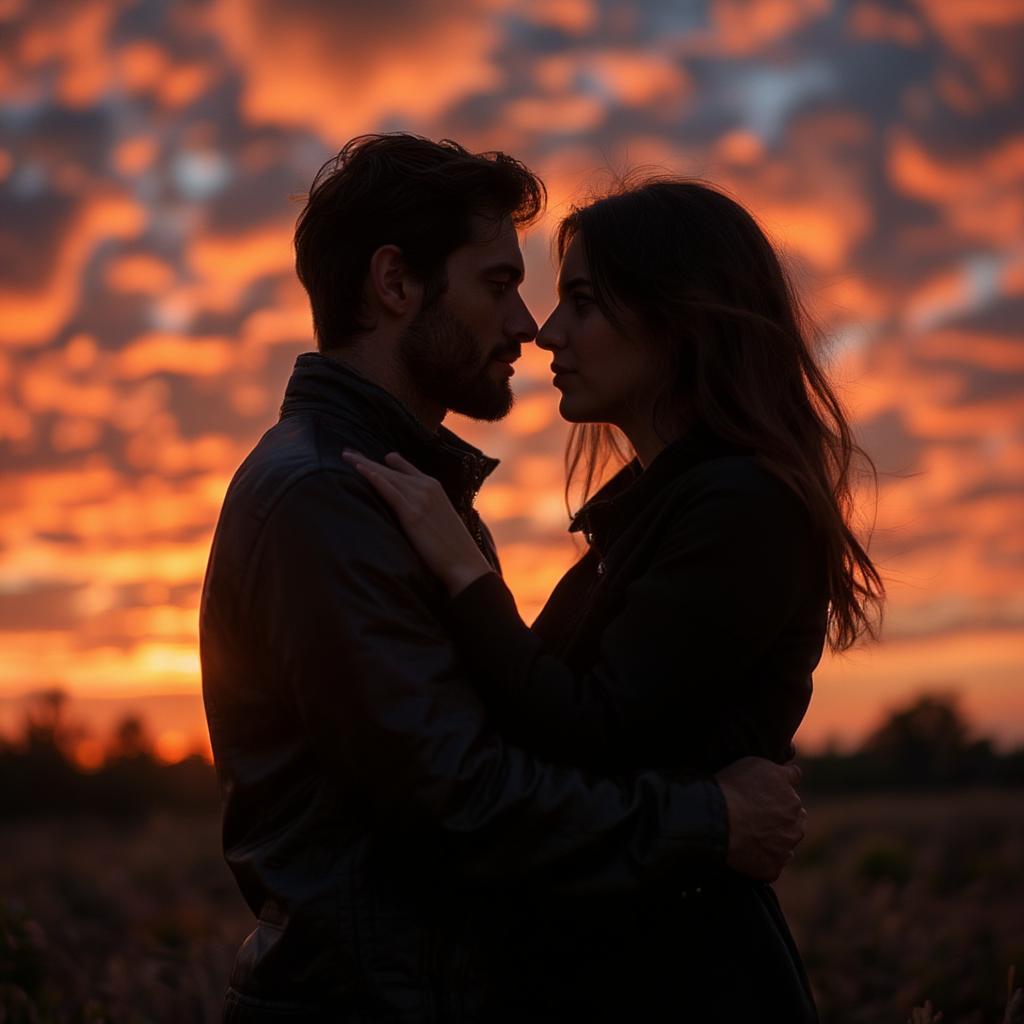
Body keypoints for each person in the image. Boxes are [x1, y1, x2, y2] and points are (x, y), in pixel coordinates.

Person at [200, 136, 808, 1022]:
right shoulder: (331, 496)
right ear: (396, 284)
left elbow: (524, 735)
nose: (529, 324)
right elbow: (463, 800)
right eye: (497, 284)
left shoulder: (399, 488)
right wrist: (712, 822)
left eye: (562, 298)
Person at [345, 177, 886, 1021]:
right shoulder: (660, 512)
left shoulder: (742, 509)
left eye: (583, 304)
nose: (547, 332)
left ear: (680, 320)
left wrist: (466, 577)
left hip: (686, 981)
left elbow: (586, 728)